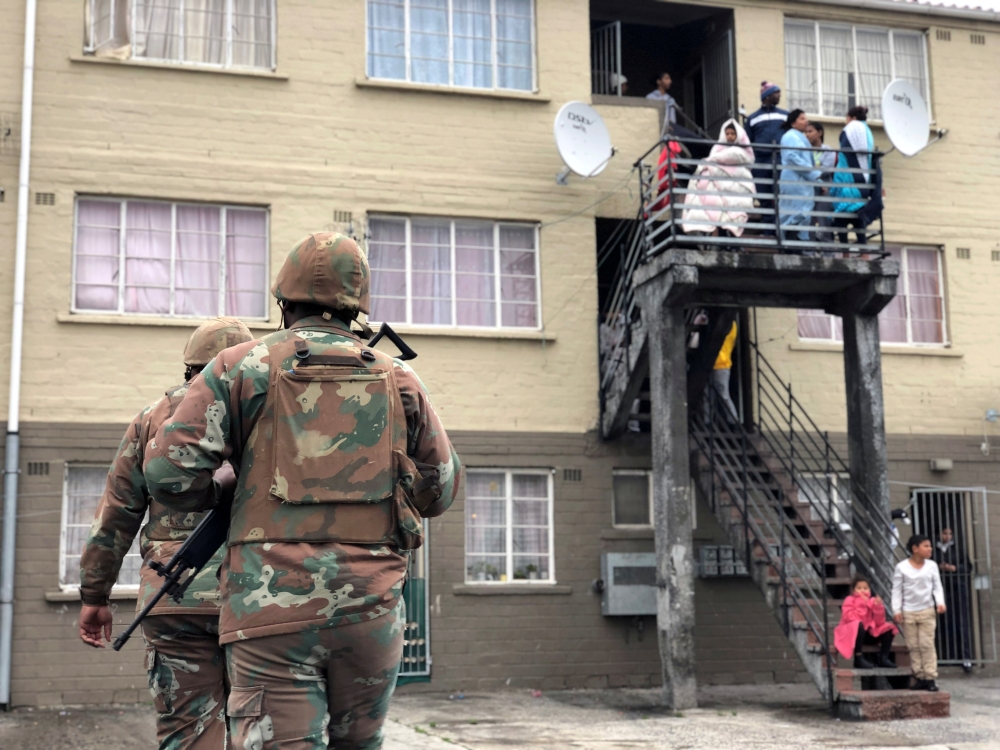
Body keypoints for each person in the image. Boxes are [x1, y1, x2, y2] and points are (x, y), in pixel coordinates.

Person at [144, 232, 462, 750]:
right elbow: (441, 490)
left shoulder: (239, 367)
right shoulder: (397, 377)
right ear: (358, 306)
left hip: (270, 609)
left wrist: (226, 484)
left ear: (283, 301)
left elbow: (168, 475)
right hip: (370, 608)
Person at [78, 317, 254, 750]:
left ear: (189, 367)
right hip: (261, 596)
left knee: (188, 735)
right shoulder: (275, 417)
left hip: (175, 596)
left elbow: (116, 516)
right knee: (263, 731)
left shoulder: (152, 418)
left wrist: (94, 596)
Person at [681, 119, 756, 241]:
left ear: (738, 135)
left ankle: (732, 243)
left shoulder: (742, 151)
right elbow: (712, 163)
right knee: (721, 217)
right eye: (727, 134)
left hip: (735, 189)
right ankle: (723, 241)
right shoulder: (717, 149)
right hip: (719, 190)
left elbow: (739, 159)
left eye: (733, 134)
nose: (730, 136)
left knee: (733, 216)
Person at [892, 534, 946, 692]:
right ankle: (919, 676)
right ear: (915, 549)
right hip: (908, 611)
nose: (930, 549)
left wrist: (940, 602)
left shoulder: (932, 566)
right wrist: (896, 610)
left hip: (927, 610)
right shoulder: (902, 567)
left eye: (930, 546)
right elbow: (897, 590)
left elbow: (937, 586)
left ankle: (930, 677)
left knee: (927, 644)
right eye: (926, 546)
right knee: (913, 646)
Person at [745, 81, 788, 234]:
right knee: (764, 197)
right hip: (761, 162)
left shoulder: (785, 115)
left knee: (782, 196)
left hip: (781, 160)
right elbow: (747, 142)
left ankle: (781, 230)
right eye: (776, 92)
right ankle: (768, 231)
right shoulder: (752, 119)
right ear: (767, 96)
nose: (779, 95)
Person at [830, 106, 876, 246]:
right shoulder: (868, 131)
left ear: (852, 118)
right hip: (863, 183)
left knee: (841, 221)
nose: (845, 121)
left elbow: (847, 154)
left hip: (848, 183)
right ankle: (864, 254)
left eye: (846, 118)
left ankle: (845, 253)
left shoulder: (853, 127)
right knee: (859, 225)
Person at [778, 109, 822, 246]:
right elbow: (792, 157)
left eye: (806, 118)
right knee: (797, 214)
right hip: (795, 181)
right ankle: (790, 246)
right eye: (802, 119)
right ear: (793, 123)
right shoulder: (790, 136)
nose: (806, 121)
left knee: (800, 213)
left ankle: (795, 246)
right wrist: (813, 173)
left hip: (801, 182)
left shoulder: (798, 137)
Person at [834, 576, 898, 669]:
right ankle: (858, 657)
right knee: (858, 624)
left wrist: (878, 607)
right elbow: (849, 617)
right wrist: (862, 604)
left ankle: (883, 657)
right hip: (852, 633)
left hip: (868, 633)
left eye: (865, 588)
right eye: (859, 588)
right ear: (854, 590)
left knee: (889, 627)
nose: (862, 591)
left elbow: (879, 622)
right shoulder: (849, 600)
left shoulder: (871, 601)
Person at [935, 528, 975, 672]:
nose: (947, 536)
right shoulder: (933, 550)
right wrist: (939, 568)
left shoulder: (958, 550)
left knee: (961, 622)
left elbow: (968, 567)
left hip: (958, 589)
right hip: (940, 589)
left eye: (950, 533)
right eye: (944, 533)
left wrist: (954, 568)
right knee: (943, 623)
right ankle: (945, 657)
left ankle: (965, 658)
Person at [805, 121, 837, 246]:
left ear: (820, 133)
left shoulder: (828, 150)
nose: (807, 135)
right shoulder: (805, 150)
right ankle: (810, 250)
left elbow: (826, 169)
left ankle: (828, 252)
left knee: (825, 221)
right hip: (809, 191)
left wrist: (812, 169)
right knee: (809, 221)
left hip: (825, 191)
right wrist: (816, 168)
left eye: (810, 131)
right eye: (806, 132)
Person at [704, 321, 738, 425]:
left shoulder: (727, 323)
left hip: (720, 363)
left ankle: (733, 421)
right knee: (708, 395)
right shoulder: (730, 324)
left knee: (722, 395)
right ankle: (708, 421)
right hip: (717, 363)